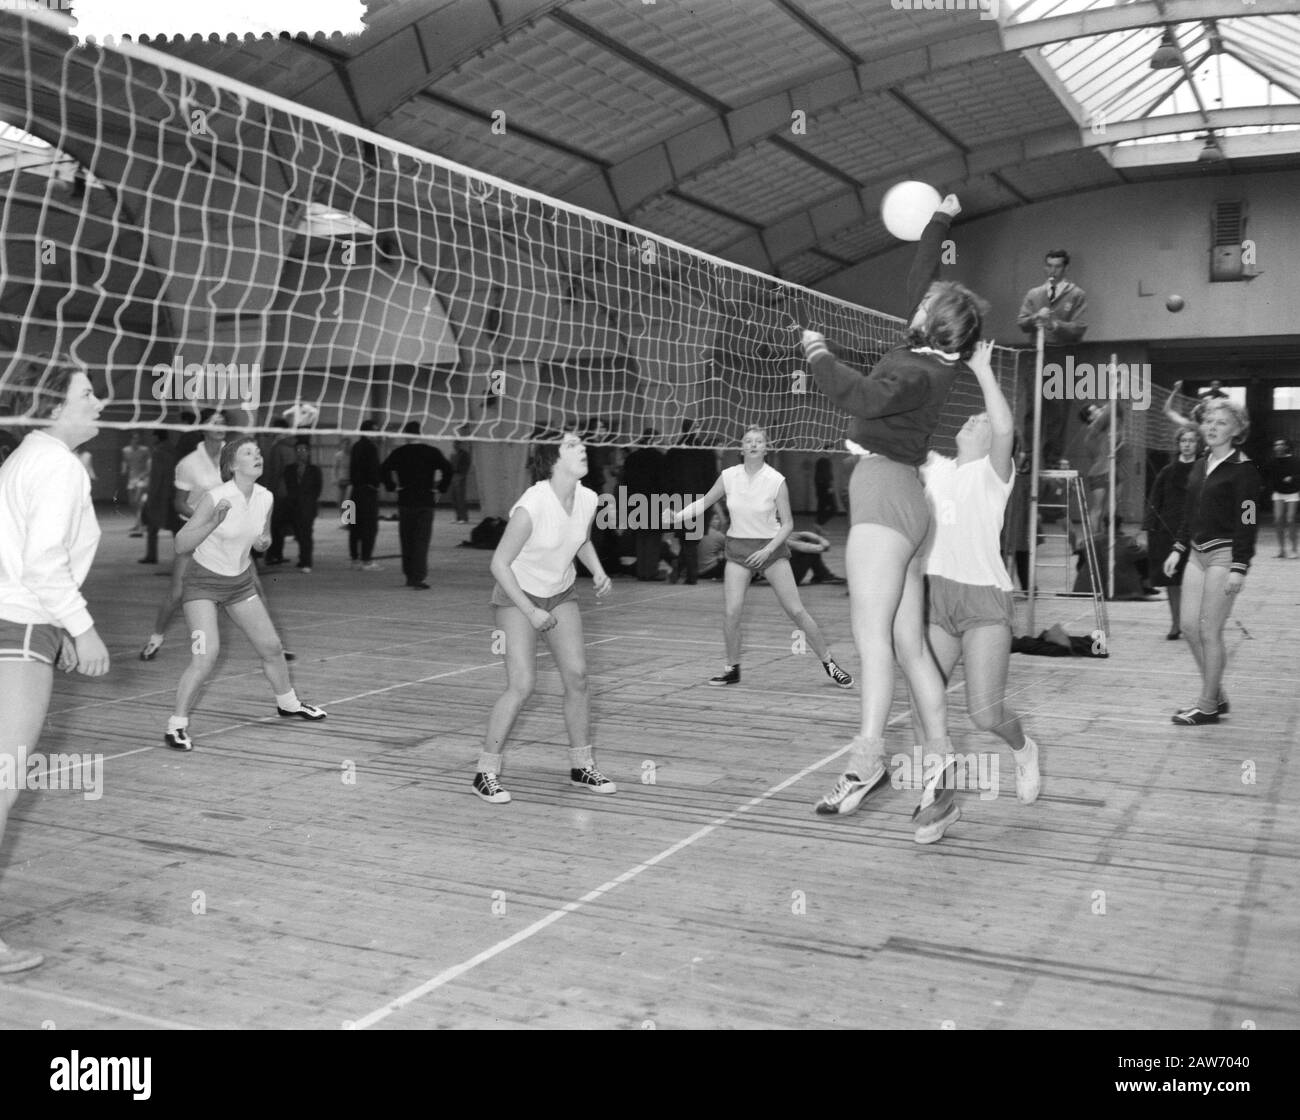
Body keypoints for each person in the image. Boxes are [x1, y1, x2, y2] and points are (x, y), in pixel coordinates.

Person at [801, 192, 984, 824]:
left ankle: (867, 759)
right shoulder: (935, 359)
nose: (922, 298)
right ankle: (940, 760)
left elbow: (860, 394)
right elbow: (921, 278)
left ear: (935, 326)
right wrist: (941, 220)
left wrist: (817, 352)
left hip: (883, 493)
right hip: (909, 502)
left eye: (930, 305)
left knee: (871, 638)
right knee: (907, 641)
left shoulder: (912, 373)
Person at [0, 367, 111, 972]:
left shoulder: (29, 457)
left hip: (19, 623)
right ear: (51, 407)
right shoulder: (57, 463)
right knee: (1, 785)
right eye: (86, 394)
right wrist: (85, 628)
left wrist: (62, 625)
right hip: (17, 629)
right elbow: (42, 563)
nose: (99, 401)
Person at [909, 339, 1042, 842]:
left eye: (982, 420)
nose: (976, 420)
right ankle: (937, 801)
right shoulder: (938, 469)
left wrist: (984, 371)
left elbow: (1005, 425)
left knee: (983, 712)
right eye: (970, 418)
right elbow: (905, 436)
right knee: (926, 702)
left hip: (985, 601)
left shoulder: (994, 477)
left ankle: (1023, 748)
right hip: (938, 597)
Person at [473, 431, 616, 804]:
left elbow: (580, 540)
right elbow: (498, 564)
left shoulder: (586, 498)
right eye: (573, 445)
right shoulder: (532, 505)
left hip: (561, 592)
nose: (583, 448)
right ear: (554, 459)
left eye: (582, 444)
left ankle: (581, 766)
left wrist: (597, 570)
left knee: (579, 678)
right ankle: (485, 772)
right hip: (517, 595)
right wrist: (532, 611)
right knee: (522, 684)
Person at [164, 435, 325, 751]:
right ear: (232, 464)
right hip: (203, 584)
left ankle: (288, 702)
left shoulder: (265, 496)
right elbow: (181, 544)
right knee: (205, 655)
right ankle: (176, 726)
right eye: (248, 452)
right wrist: (213, 522)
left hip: (239, 582)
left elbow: (260, 538)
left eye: (258, 452)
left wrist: (262, 543)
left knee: (272, 647)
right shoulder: (214, 497)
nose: (257, 456)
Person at [671, 425, 853, 690]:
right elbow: (703, 503)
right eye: (748, 441)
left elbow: (788, 524)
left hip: (770, 549)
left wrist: (768, 550)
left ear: (766, 448)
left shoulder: (776, 480)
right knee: (731, 613)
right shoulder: (728, 476)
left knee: (796, 610)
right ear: (742, 448)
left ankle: (830, 664)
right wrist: (676, 517)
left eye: (759, 441)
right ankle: (732, 668)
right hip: (737, 549)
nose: (753, 444)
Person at [1162, 398, 1261, 725]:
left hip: (1225, 555)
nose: (1212, 428)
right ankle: (1215, 693)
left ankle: (1207, 705)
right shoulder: (1200, 464)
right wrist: (1177, 548)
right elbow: (1190, 511)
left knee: (1209, 631)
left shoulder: (1244, 470)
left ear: (1237, 429)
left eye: (1221, 422)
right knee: (1189, 626)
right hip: (1196, 553)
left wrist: (1240, 566)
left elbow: (1248, 521)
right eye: (1208, 422)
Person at [140, 411, 226, 660]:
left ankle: (274, 645)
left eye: (223, 422)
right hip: (194, 533)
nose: (219, 426)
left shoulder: (233, 459)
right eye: (214, 422)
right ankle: (155, 640)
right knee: (177, 592)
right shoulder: (188, 464)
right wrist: (204, 520)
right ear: (203, 428)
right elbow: (179, 503)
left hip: (224, 536)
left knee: (254, 587)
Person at [1017, 249, 1088, 465]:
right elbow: (1021, 322)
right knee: (1032, 406)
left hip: (1061, 354)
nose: (1053, 270)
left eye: (1057, 266)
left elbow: (1079, 328)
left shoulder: (1076, 294)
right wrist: (1035, 318)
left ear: (1065, 268)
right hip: (1037, 352)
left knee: (1057, 409)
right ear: (1044, 266)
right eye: (1049, 265)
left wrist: (1054, 324)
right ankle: (1028, 455)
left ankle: (1052, 458)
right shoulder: (1034, 294)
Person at [381, 421, 453, 589]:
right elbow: (448, 469)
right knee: (421, 540)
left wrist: (391, 486)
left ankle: (408, 575)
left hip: (406, 500)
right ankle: (418, 577)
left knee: (406, 540)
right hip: (425, 500)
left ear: (406, 435)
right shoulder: (431, 452)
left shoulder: (399, 453)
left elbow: (383, 469)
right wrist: (441, 488)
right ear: (420, 433)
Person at [1143, 429, 1200, 637]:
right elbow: (1154, 499)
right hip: (1168, 530)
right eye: (1183, 441)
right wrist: (1150, 526)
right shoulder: (1167, 471)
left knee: (1193, 580)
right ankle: (1176, 624)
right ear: (1178, 444)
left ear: (1197, 444)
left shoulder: (1204, 470)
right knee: (1172, 580)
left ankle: (1191, 623)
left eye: (1191, 441)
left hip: (1196, 529)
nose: (1187, 444)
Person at [663, 419, 717, 585]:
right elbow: (712, 479)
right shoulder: (707, 451)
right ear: (697, 429)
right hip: (701, 500)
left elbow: (668, 479)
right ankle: (689, 575)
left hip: (679, 500)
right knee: (691, 540)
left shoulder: (673, 451)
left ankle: (680, 572)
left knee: (686, 539)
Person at [621, 429, 668, 581]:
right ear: (654, 440)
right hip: (654, 500)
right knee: (653, 538)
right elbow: (664, 482)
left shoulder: (632, 458)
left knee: (640, 537)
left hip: (635, 500)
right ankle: (650, 571)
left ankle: (641, 571)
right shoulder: (660, 458)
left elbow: (625, 481)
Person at [139, 430, 180, 565]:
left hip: (160, 495)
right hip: (173, 493)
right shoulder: (174, 451)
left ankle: (151, 555)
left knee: (152, 527)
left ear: (157, 437)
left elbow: (156, 476)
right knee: (176, 528)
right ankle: (181, 556)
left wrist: (151, 495)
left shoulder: (158, 452)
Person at [348, 419, 383, 570]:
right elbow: (374, 471)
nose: (376, 433)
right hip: (368, 493)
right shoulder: (371, 447)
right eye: (374, 430)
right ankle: (366, 560)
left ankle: (355, 559)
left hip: (355, 491)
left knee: (354, 525)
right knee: (370, 527)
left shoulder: (356, 446)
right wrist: (376, 484)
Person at [284, 440, 322, 572]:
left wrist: (309, 502)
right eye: (298, 450)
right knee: (299, 535)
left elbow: (318, 489)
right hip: (293, 507)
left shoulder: (314, 470)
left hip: (308, 507)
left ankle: (307, 562)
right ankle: (302, 558)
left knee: (306, 534)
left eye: (304, 450)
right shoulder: (289, 470)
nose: (301, 453)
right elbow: (289, 487)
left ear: (309, 452)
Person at [1265, 439, 1299, 558]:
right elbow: (1266, 474)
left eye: (1280, 444)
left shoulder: (1295, 460)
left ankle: (1294, 549)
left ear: (1286, 447)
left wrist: (1293, 478)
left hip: (1292, 492)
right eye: (1276, 445)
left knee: (1290, 519)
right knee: (1278, 520)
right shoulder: (1272, 461)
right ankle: (1282, 550)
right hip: (1278, 493)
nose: (1277, 447)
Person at [120, 431, 150, 536]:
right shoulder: (126, 450)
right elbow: (125, 461)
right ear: (131, 439)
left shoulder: (144, 450)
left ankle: (140, 525)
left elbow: (148, 463)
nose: (136, 440)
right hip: (131, 478)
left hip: (142, 479)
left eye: (138, 438)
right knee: (132, 503)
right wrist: (123, 469)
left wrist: (145, 475)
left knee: (138, 501)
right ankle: (138, 523)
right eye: (134, 438)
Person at [449, 439, 472, 524]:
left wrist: (462, 475)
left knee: (460, 498)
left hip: (460, 476)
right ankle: (458, 517)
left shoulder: (464, 454)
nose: (455, 445)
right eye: (454, 444)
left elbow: (466, 465)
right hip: (453, 477)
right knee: (454, 498)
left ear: (459, 444)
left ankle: (464, 518)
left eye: (456, 444)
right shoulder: (452, 454)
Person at [331, 437, 351, 510]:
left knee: (348, 499)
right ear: (342, 445)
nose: (346, 446)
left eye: (348, 444)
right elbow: (335, 468)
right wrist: (334, 479)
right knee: (340, 499)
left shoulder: (352, 455)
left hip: (350, 480)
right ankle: (342, 514)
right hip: (341, 480)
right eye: (345, 444)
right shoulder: (338, 455)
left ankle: (349, 516)